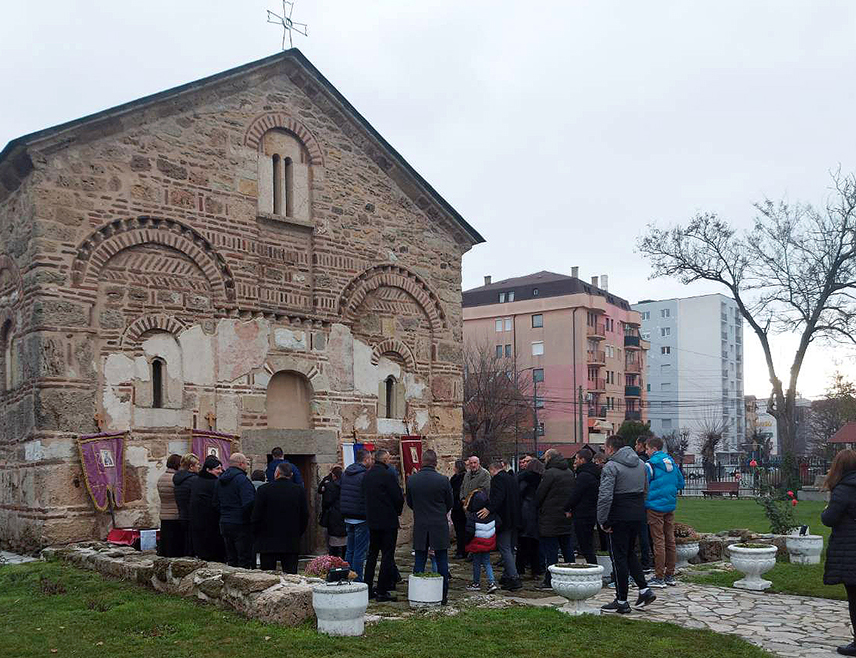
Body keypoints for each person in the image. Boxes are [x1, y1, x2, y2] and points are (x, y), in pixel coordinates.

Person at [597, 435, 656, 613]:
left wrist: (603, 519)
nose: (605, 451)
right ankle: (644, 589)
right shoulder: (640, 464)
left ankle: (622, 600)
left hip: (618, 515)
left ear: (611, 448)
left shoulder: (611, 466)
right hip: (637, 513)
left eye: (605, 448)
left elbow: (605, 496)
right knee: (629, 553)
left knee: (618, 557)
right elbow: (645, 490)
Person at [406, 449, 454, 604]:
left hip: (421, 523)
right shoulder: (443, 480)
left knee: (419, 560)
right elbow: (449, 503)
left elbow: (410, 503)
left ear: (422, 461)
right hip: (438, 524)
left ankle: (417, 593)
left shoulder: (412, 480)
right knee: (442, 561)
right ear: (435, 462)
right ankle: (443, 594)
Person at [822, 449, 856, 656]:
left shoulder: (843, 489)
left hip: (850, 551)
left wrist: (826, 509)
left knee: (854, 597)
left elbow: (829, 518)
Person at [362, 449, 404, 602]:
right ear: (385, 460)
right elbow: (398, 497)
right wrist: (397, 511)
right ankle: (382, 589)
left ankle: (367, 586)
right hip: (387, 521)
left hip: (373, 521)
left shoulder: (367, 475)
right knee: (387, 555)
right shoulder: (388, 475)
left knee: (372, 554)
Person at [251, 462, 309, 573]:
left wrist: (257, 534)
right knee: (291, 576)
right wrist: (298, 533)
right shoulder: (298, 491)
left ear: (276, 473)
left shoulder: (264, 490)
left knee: (267, 577)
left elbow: (256, 515)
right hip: (290, 539)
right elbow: (304, 515)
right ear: (291, 475)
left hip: (267, 540)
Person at [644, 436, 685, 588]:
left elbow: (644, 484)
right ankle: (670, 574)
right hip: (669, 505)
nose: (646, 452)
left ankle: (659, 576)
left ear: (653, 449)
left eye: (647, 449)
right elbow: (681, 483)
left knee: (658, 541)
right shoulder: (672, 463)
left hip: (654, 506)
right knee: (670, 540)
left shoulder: (650, 465)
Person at [478, 459, 522, 591]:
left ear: (492, 470)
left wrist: (488, 509)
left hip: (505, 519)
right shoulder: (511, 478)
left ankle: (514, 577)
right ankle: (508, 575)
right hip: (515, 518)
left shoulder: (498, 480)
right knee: (510, 548)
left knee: (505, 548)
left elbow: (498, 498)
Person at [534, 449, 576, 589]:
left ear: (550, 458)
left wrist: (537, 506)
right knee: (567, 549)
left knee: (551, 551)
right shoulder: (569, 472)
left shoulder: (550, 473)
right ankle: (573, 576)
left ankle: (550, 580)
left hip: (550, 517)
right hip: (565, 516)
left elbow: (540, 494)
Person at [213, 452, 256, 569]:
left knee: (231, 558)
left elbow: (215, 503)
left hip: (225, 522)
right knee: (244, 559)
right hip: (241, 523)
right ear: (241, 464)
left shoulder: (220, 480)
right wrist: (249, 519)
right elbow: (249, 503)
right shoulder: (242, 480)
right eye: (246, 463)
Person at [340, 449, 373, 581]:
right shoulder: (365, 475)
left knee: (350, 550)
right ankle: (358, 580)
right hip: (361, 517)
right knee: (360, 552)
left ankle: (348, 576)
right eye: (370, 458)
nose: (371, 461)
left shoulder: (346, 473)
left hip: (348, 515)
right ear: (366, 460)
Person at [564, 447, 600, 565]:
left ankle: (593, 568)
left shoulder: (584, 475)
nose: (575, 461)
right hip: (591, 511)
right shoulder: (594, 473)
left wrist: (567, 507)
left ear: (583, 460)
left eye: (577, 459)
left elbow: (576, 494)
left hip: (582, 513)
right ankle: (593, 566)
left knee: (585, 546)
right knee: (587, 544)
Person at [189, 455, 225, 562]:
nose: (220, 471)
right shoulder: (214, 483)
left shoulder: (196, 481)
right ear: (208, 470)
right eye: (217, 469)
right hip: (211, 522)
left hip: (197, 521)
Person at [464, 488, 498, 593]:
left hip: (477, 543)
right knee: (487, 562)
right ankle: (491, 582)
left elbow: (469, 531)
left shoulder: (472, 517)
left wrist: (466, 542)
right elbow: (499, 523)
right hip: (488, 542)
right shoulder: (491, 514)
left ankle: (476, 583)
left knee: (476, 563)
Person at [516, 455, 545, 579]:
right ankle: (535, 570)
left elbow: (519, 494)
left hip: (525, 513)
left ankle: (520, 569)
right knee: (534, 545)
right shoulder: (541, 480)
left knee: (522, 544)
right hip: (535, 513)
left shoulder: (523, 479)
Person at [173, 453, 200, 557]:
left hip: (182, 514)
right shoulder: (193, 480)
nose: (199, 466)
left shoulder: (178, 480)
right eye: (197, 464)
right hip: (192, 516)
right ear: (191, 467)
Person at [157, 454, 183, 557]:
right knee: (174, 544)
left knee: (166, 542)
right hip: (174, 513)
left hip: (164, 513)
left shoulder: (162, 477)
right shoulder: (175, 479)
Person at [318, 466, 347, 558]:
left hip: (334, 514)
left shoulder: (330, 486)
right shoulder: (346, 484)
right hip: (344, 513)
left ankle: (334, 562)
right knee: (344, 540)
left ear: (334, 475)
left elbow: (327, 501)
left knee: (333, 540)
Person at [450, 460, 468, 558]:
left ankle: (462, 550)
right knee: (461, 530)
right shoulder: (456, 478)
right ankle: (462, 548)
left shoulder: (460, 478)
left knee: (461, 530)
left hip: (459, 506)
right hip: (458, 506)